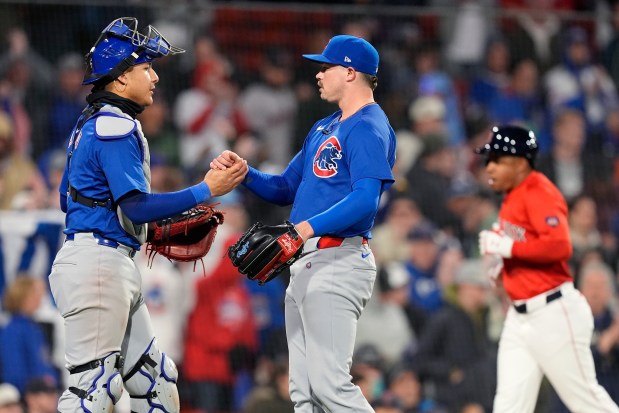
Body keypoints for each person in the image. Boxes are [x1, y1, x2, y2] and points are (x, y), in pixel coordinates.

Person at [47, 17, 247, 413]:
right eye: (146, 67)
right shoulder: (114, 125)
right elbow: (134, 205)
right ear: (120, 79)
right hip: (99, 265)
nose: (154, 77)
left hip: (103, 260)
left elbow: (69, 200)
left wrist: (140, 230)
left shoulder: (92, 121)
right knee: (95, 390)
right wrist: (207, 190)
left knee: (156, 382)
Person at [212, 34, 396, 413]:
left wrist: (304, 229)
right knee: (304, 394)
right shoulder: (325, 126)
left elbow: (365, 199)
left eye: (325, 67)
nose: (318, 74)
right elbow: (284, 187)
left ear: (349, 72)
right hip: (306, 263)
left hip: (337, 259)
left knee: (330, 387)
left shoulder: (366, 127)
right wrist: (245, 173)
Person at [476, 124, 619, 413]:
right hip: (520, 317)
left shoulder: (539, 191)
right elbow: (529, 246)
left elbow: (558, 247)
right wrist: (501, 267)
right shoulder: (511, 199)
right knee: (508, 406)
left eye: (497, 160)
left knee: (588, 402)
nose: (489, 167)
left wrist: (505, 247)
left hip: (553, 312)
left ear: (519, 163)